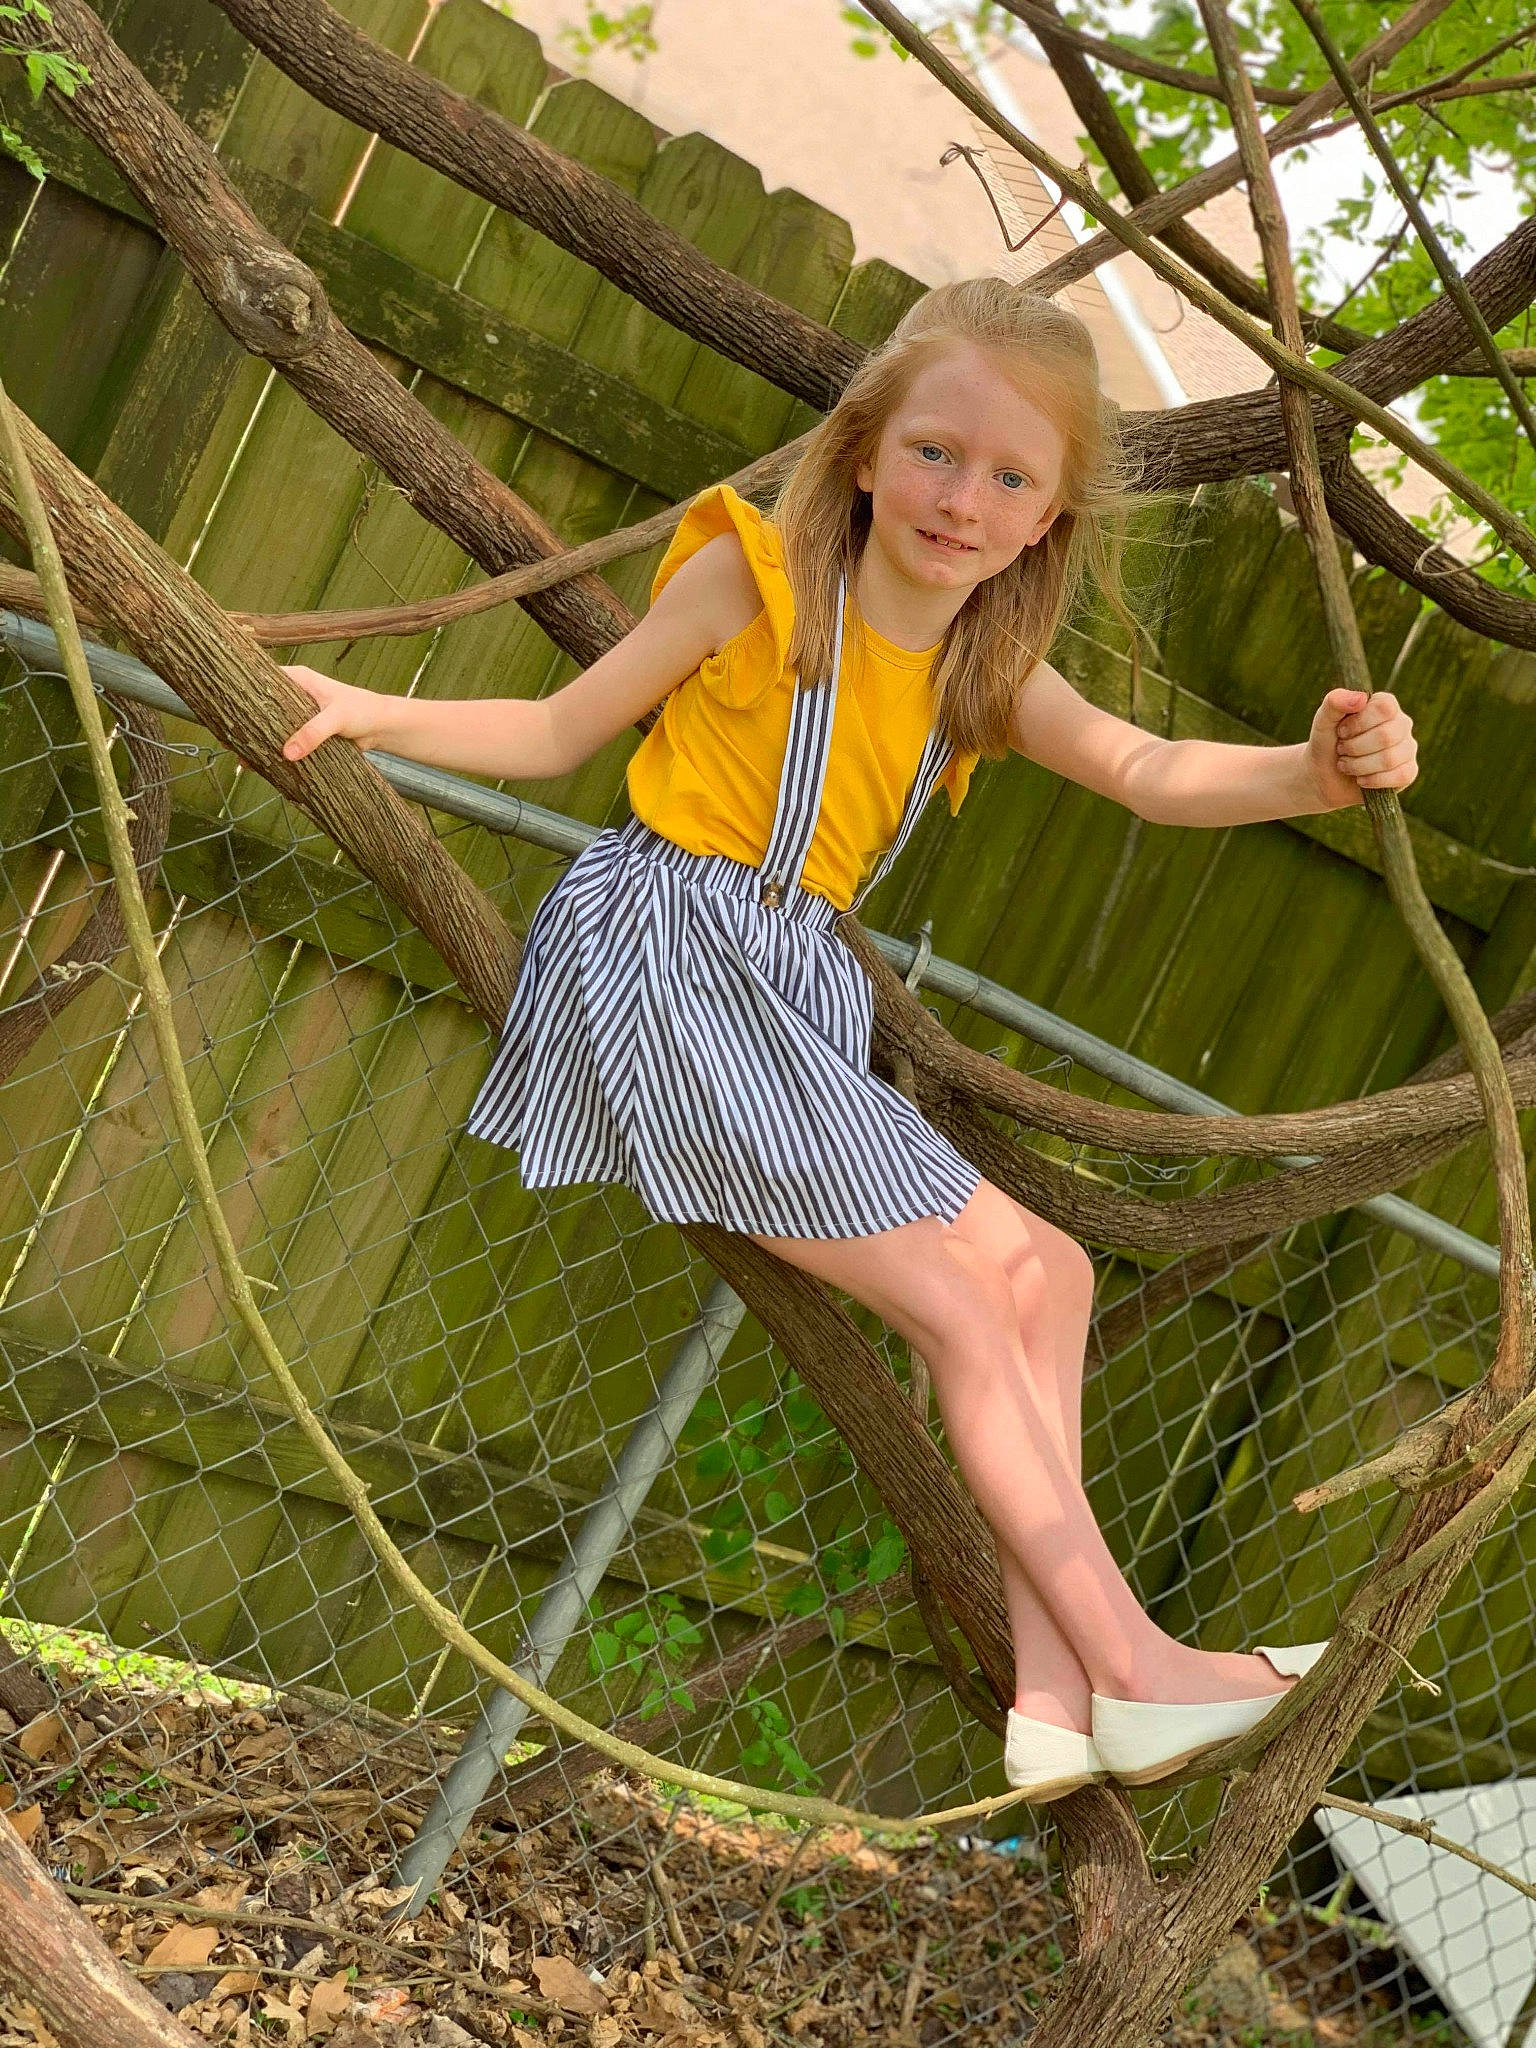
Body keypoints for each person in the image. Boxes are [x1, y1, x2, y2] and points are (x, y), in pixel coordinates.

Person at [279, 278, 1418, 1801]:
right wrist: (372, 710)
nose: (965, 497)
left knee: (1055, 1271)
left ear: (1050, 520)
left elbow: (1152, 770)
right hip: (666, 957)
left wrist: (1318, 771)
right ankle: (1134, 1662)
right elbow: (561, 736)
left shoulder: (978, 673)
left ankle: (1055, 1694)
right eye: (940, 453)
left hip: (785, 989)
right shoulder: (754, 584)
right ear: (870, 451)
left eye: (1013, 478)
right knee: (962, 1301)